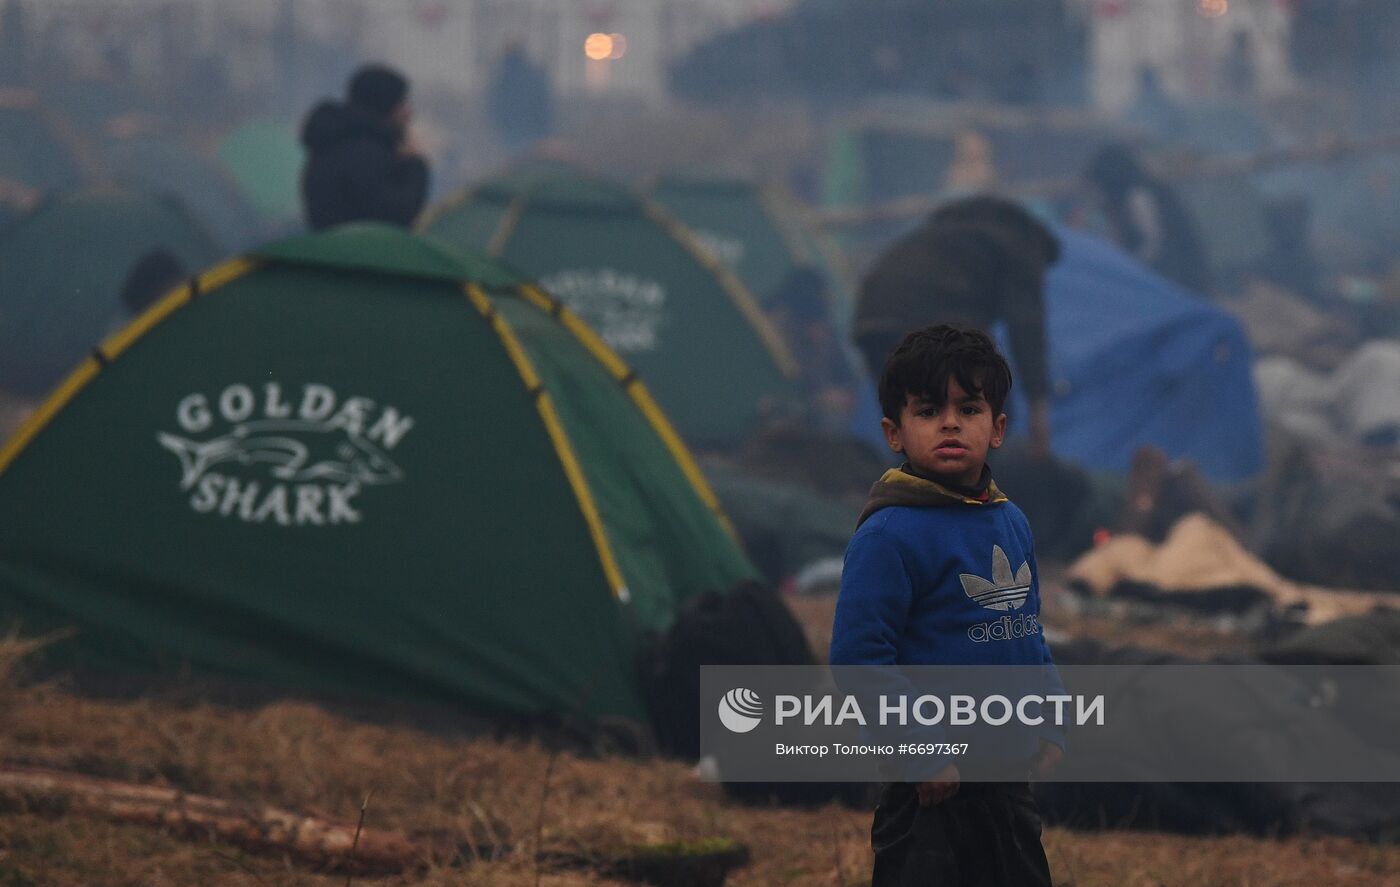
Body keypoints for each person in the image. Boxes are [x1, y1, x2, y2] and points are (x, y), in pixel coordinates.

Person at [830, 325, 1063, 887]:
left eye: (970, 407)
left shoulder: (1010, 519)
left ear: (998, 427)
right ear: (894, 431)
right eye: (930, 409)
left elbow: (1026, 631)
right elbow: (859, 660)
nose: (951, 423)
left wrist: (1051, 715)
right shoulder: (889, 534)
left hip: (1005, 780)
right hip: (930, 790)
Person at [853, 196, 1060, 458]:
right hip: (929, 317)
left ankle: (913, 492)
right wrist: (1038, 406)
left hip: (872, 322)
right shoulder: (1020, 243)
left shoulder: (945, 235)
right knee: (986, 406)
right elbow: (1026, 324)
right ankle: (977, 492)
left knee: (913, 421)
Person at [300, 63, 429, 232]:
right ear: (384, 105)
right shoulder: (365, 154)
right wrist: (415, 165)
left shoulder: (331, 144)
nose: (408, 113)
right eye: (402, 103)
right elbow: (392, 216)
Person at [1083, 142, 1210, 294]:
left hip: (1172, 272)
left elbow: (1153, 242)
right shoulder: (1130, 197)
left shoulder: (1138, 196)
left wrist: (1131, 266)